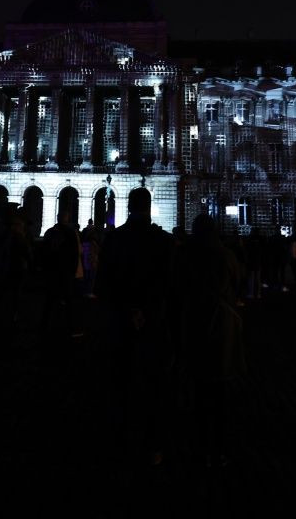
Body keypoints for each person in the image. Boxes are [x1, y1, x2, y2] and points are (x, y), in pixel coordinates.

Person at [95, 188, 176, 466]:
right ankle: (153, 444)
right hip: (154, 320)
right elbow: (172, 286)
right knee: (154, 384)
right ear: (150, 206)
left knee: (119, 381)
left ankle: (119, 441)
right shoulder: (164, 241)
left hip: (120, 319)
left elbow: (102, 287)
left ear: (128, 207)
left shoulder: (114, 240)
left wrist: (125, 310)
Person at [178, 214, 246, 466]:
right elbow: (238, 281)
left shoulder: (185, 255)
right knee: (219, 392)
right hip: (221, 326)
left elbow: (176, 288)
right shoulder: (226, 255)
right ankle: (219, 447)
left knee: (197, 390)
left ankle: (199, 444)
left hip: (194, 323)